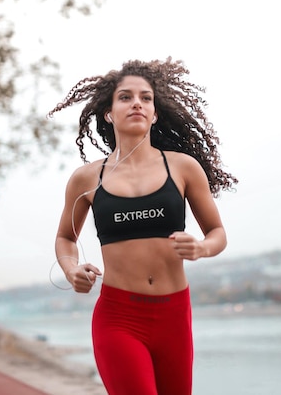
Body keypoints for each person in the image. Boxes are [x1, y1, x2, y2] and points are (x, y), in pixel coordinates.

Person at [48, 58, 237, 395]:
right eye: (125, 97)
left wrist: (201, 247)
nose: (137, 102)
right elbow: (65, 237)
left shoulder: (182, 168)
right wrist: (70, 268)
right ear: (108, 112)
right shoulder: (87, 178)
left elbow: (217, 233)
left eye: (146, 98)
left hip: (174, 316)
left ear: (155, 113)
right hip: (119, 318)